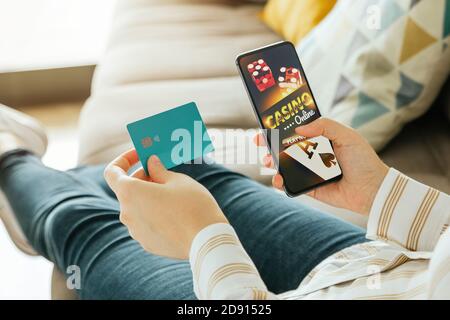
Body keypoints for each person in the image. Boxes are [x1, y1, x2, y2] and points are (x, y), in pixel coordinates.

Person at [0, 103, 449, 300]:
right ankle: (76, 180)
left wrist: (204, 236)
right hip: (381, 267)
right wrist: (379, 190)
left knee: (84, 228)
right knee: (189, 167)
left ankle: (12, 160)